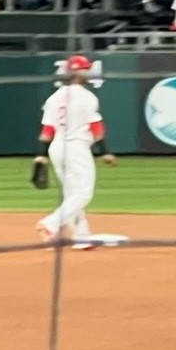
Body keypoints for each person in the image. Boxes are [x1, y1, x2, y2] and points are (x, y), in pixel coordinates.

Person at [34, 53, 118, 250]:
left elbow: (47, 131)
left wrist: (41, 155)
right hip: (76, 147)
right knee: (82, 194)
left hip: (57, 148)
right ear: (77, 72)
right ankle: (50, 224)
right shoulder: (86, 97)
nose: (88, 72)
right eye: (85, 68)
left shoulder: (54, 97)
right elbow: (96, 127)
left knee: (72, 194)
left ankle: (81, 237)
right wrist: (105, 152)